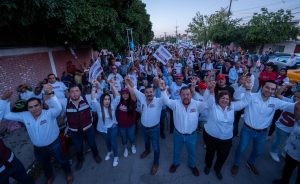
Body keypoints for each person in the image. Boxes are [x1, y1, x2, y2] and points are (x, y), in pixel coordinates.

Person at [2, 84, 73, 184]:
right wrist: (4, 100)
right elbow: (6, 115)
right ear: (27, 109)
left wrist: (50, 93)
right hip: (38, 148)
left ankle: (68, 173)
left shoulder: (49, 113)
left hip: (54, 144)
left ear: (41, 105)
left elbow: (58, 108)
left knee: (61, 159)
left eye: (36, 105)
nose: (34, 109)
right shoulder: (24, 116)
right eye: (30, 107)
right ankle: (49, 176)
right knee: (44, 164)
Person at [231, 80, 299, 176]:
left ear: (275, 91)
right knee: (241, 149)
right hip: (247, 130)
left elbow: (294, 106)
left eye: (273, 89)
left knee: (258, 151)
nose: (269, 90)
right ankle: (236, 164)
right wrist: (245, 87)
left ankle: (250, 163)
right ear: (262, 86)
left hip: (262, 133)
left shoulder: (275, 102)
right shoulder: (251, 96)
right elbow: (238, 101)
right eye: (267, 87)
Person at [203, 79, 251, 180]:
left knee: (223, 156)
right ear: (218, 98)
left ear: (230, 100)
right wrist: (210, 90)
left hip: (226, 139)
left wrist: (248, 89)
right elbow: (206, 100)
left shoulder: (233, 106)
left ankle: (217, 169)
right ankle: (208, 166)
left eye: (227, 99)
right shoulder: (213, 105)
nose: (225, 100)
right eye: (222, 98)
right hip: (211, 136)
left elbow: (246, 101)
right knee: (209, 153)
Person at [160, 78, 207, 177]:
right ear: (180, 95)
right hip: (178, 134)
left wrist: (210, 91)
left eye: (188, 94)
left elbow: (208, 104)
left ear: (191, 95)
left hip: (192, 135)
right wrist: (163, 90)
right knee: (176, 150)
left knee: (192, 152)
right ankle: (175, 163)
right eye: (183, 94)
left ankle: (192, 165)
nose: (186, 96)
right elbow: (165, 101)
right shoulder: (175, 103)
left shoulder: (196, 104)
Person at [125, 77, 164, 175]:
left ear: (154, 92)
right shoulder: (142, 97)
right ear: (145, 93)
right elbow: (134, 88)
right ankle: (147, 150)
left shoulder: (159, 101)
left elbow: (166, 97)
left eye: (151, 92)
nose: (149, 94)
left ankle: (156, 163)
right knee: (146, 142)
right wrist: (129, 81)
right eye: (147, 92)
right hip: (144, 127)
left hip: (154, 129)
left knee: (156, 147)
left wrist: (162, 87)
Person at [0, 91, 34, 184]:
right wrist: (3, 101)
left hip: (11, 160)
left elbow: (6, 116)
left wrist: (6, 102)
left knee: (27, 180)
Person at [65, 84, 102, 170]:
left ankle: (96, 155)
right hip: (74, 132)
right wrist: (49, 93)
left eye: (77, 91)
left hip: (88, 128)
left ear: (80, 92)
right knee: (78, 146)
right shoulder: (64, 102)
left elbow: (100, 93)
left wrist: (96, 85)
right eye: (72, 91)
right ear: (69, 93)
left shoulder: (87, 98)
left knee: (92, 143)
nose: (75, 93)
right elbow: (51, 103)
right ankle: (80, 160)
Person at [91, 79, 120, 167]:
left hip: (113, 127)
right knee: (107, 142)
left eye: (108, 99)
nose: (107, 101)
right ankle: (109, 151)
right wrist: (93, 87)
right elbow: (93, 99)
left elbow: (118, 97)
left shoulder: (113, 105)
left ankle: (116, 156)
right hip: (103, 129)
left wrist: (112, 85)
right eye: (105, 99)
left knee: (113, 142)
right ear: (102, 101)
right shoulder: (98, 107)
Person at [272, 98, 300, 184]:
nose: (295, 113)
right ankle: (284, 181)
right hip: (291, 151)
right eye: (296, 109)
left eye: (298, 110)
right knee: (288, 168)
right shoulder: (297, 120)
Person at [269, 88, 300, 162]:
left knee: (288, 141)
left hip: (292, 128)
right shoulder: (289, 101)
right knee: (279, 141)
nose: (296, 98)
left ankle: (284, 151)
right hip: (282, 127)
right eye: (295, 96)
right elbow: (277, 95)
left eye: (298, 97)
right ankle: (273, 151)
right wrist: (285, 86)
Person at [116, 87, 137, 158]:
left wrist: (128, 84)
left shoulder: (132, 102)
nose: (125, 95)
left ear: (129, 94)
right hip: (122, 125)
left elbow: (133, 95)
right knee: (123, 138)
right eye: (123, 94)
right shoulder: (118, 102)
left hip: (131, 125)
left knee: (132, 137)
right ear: (121, 95)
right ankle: (125, 149)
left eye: (126, 94)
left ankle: (133, 145)